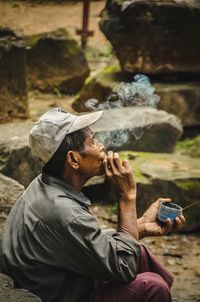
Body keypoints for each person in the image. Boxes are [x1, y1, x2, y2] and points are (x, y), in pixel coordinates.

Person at [0, 108, 185, 302]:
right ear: (73, 159)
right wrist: (127, 196)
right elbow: (124, 265)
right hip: (56, 296)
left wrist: (140, 226)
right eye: (92, 141)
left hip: (57, 279)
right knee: (152, 287)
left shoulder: (43, 184)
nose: (101, 146)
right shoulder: (64, 212)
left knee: (140, 253)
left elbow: (76, 238)